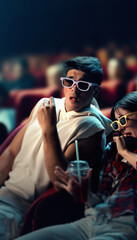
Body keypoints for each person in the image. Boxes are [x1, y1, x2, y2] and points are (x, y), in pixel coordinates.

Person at [16, 91, 137, 240]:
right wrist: (85, 194)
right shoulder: (113, 150)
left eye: (123, 120)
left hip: (131, 225)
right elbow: (103, 196)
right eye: (116, 124)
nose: (120, 129)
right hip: (93, 220)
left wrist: (126, 153)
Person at [0, 56, 112, 239]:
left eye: (83, 85)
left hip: (21, 209)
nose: (74, 89)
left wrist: (49, 130)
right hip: (4, 194)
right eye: (69, 82)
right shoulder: (46, 105)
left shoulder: (92, 127)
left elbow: (61, 182)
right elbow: (11, 152)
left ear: (96, 92)